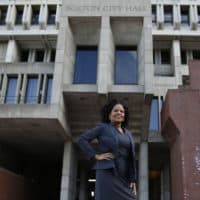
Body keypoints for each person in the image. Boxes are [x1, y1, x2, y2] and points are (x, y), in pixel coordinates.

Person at [77, 99, 137, 200]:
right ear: (109, 115)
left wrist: (132, 179)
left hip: (124, 177)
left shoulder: (128, 134)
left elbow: (131, 158)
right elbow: (82, 139)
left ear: (124, 116)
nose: (119, 113)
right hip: (107, 173)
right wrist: (95, 155)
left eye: (122, 111)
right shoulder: (103, 128)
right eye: (116, 110)